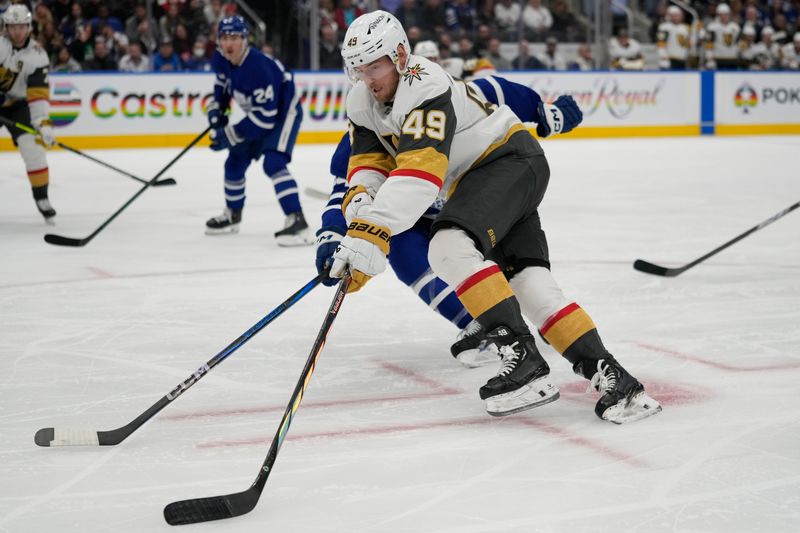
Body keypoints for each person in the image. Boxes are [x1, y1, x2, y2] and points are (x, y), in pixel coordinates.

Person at [328, 11, 661, 424]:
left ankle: (523, 361)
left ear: (399, 56)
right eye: (357, 69)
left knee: (448, 245)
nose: (366, 78)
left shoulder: (424, 83)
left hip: (506, 162)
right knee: (531, 285)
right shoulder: (362, 99)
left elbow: (420, 174)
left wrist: (371, 233)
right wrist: (360, 212)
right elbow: (369, 164)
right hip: (500, 174)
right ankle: (618, 383)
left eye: (373, 66)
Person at [316, 59, 584, 368]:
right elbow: (348, 187)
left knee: (506, 253)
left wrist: (546, 113)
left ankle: (543, 313)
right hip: (412, 212)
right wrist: (335, 238)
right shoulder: (367, 123)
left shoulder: (447, 95)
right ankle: (478, 323)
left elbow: (498, 91)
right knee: (403, 249)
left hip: (468, 192)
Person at [205, 16, 312, 245]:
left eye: (234, 37)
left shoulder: (259, 68)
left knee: (273, 163)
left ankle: (298, 221)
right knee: (234, 161)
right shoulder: (221, 59)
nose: (229, 43)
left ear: (245, 40)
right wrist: (217, 110)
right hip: (260, 115)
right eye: (224, 38)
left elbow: (265, 119)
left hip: (284, 115)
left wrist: (229, 134)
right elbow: (222, 85)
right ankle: (232, 216)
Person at [0, 4, 57, 222]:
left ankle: (42, 198)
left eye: (21, 26)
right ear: (6, 27)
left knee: (33, 150)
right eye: (13, 27)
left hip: (19, 106)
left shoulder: (38, 55)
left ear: (28, 26)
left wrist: (43, 123)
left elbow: (38, 94)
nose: (17, 31)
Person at [657, 5, 691, 70]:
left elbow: (689, 44)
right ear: (669, 16)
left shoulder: (685, 28)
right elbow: (661, 44)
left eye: (678, 15)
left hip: (683, 58)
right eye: (674, 15)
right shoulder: (664, 27)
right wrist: (663, 57)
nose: (676, 17)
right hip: (670, 58)